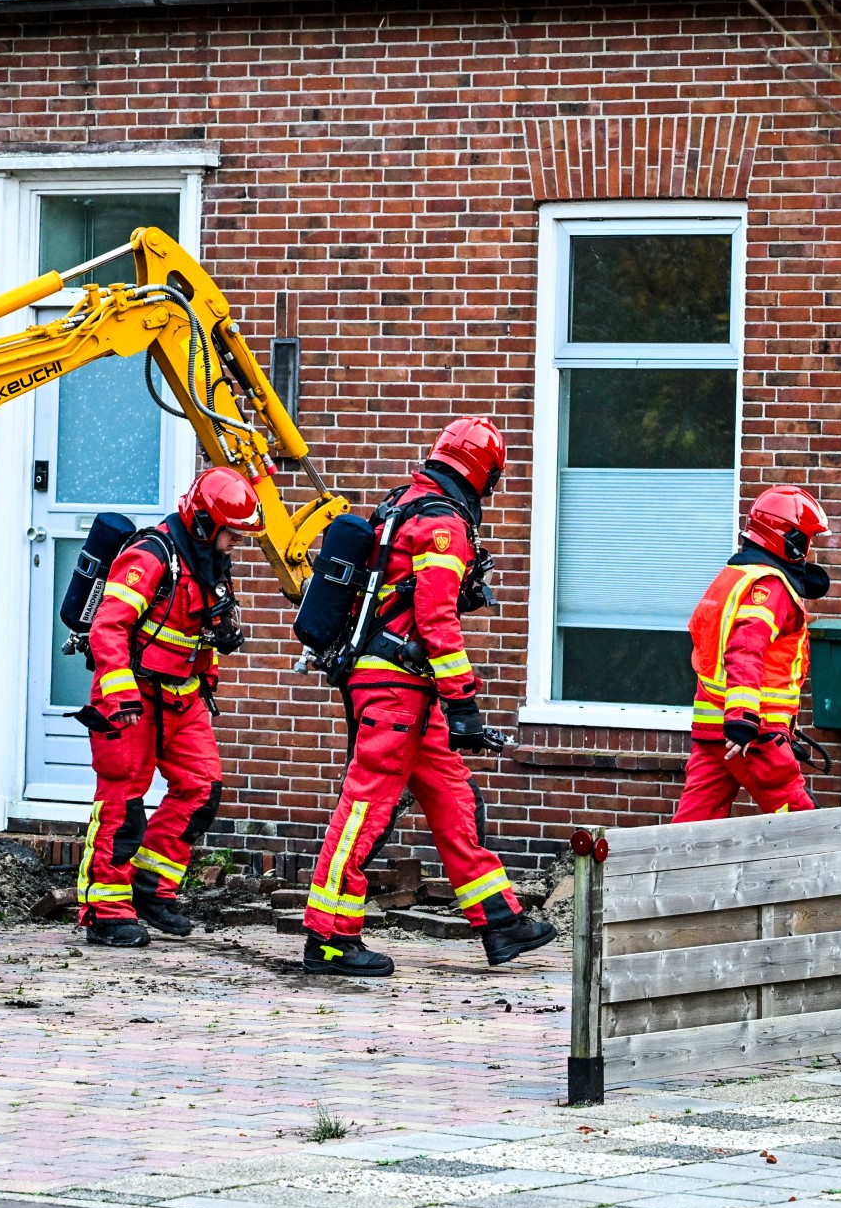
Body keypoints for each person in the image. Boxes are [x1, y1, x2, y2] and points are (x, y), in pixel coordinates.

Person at [301, 417, 557, 977]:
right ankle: (328, 938)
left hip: (404, 687)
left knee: (452, 799)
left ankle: (500, 921)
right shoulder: (442, 521)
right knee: (365, 808)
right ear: (482, 473)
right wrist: (464, 702)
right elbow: (435, 615)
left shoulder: (404, 504)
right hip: (396, 687)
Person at [76, 467, 262, 947]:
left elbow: (199, 631)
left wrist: (210, 673)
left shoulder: (208, 563)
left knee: (202, 790)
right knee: (123, 803)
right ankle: (105, 909)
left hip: (183, 696)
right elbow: (109, 628)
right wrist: (120, 696)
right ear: (204, 523)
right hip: (133, 697)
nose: (235, 545)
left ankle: (150, 891)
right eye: (232, 535)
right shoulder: (151, 556)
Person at [675, 485, 833, 823]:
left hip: (711, 731)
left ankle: (662, 877)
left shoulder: (733, 577)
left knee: (692, 829)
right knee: (805, 827)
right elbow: (746, 648)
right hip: (753, 733)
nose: (807, 550)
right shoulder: (771, 588)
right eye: (805, 540)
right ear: (787, 539)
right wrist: (743, 720)